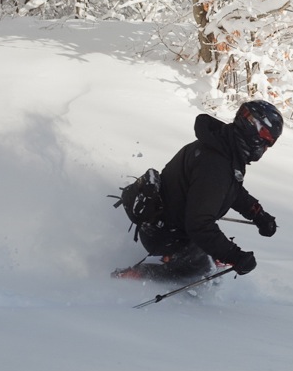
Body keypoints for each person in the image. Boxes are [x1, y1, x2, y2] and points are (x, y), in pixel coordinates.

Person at [112, 100, 283, 282]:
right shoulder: (216, 163)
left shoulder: (222, 147)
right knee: (201, 268)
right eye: (266, 138)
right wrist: (236, 256)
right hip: (166, 234)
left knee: (208, 259)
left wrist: (257, 213)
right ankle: (139, 277)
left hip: (167, 224)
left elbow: (230, 189)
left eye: (270, 141)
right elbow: (199, 225)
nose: (266, 146)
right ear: (251, 128)